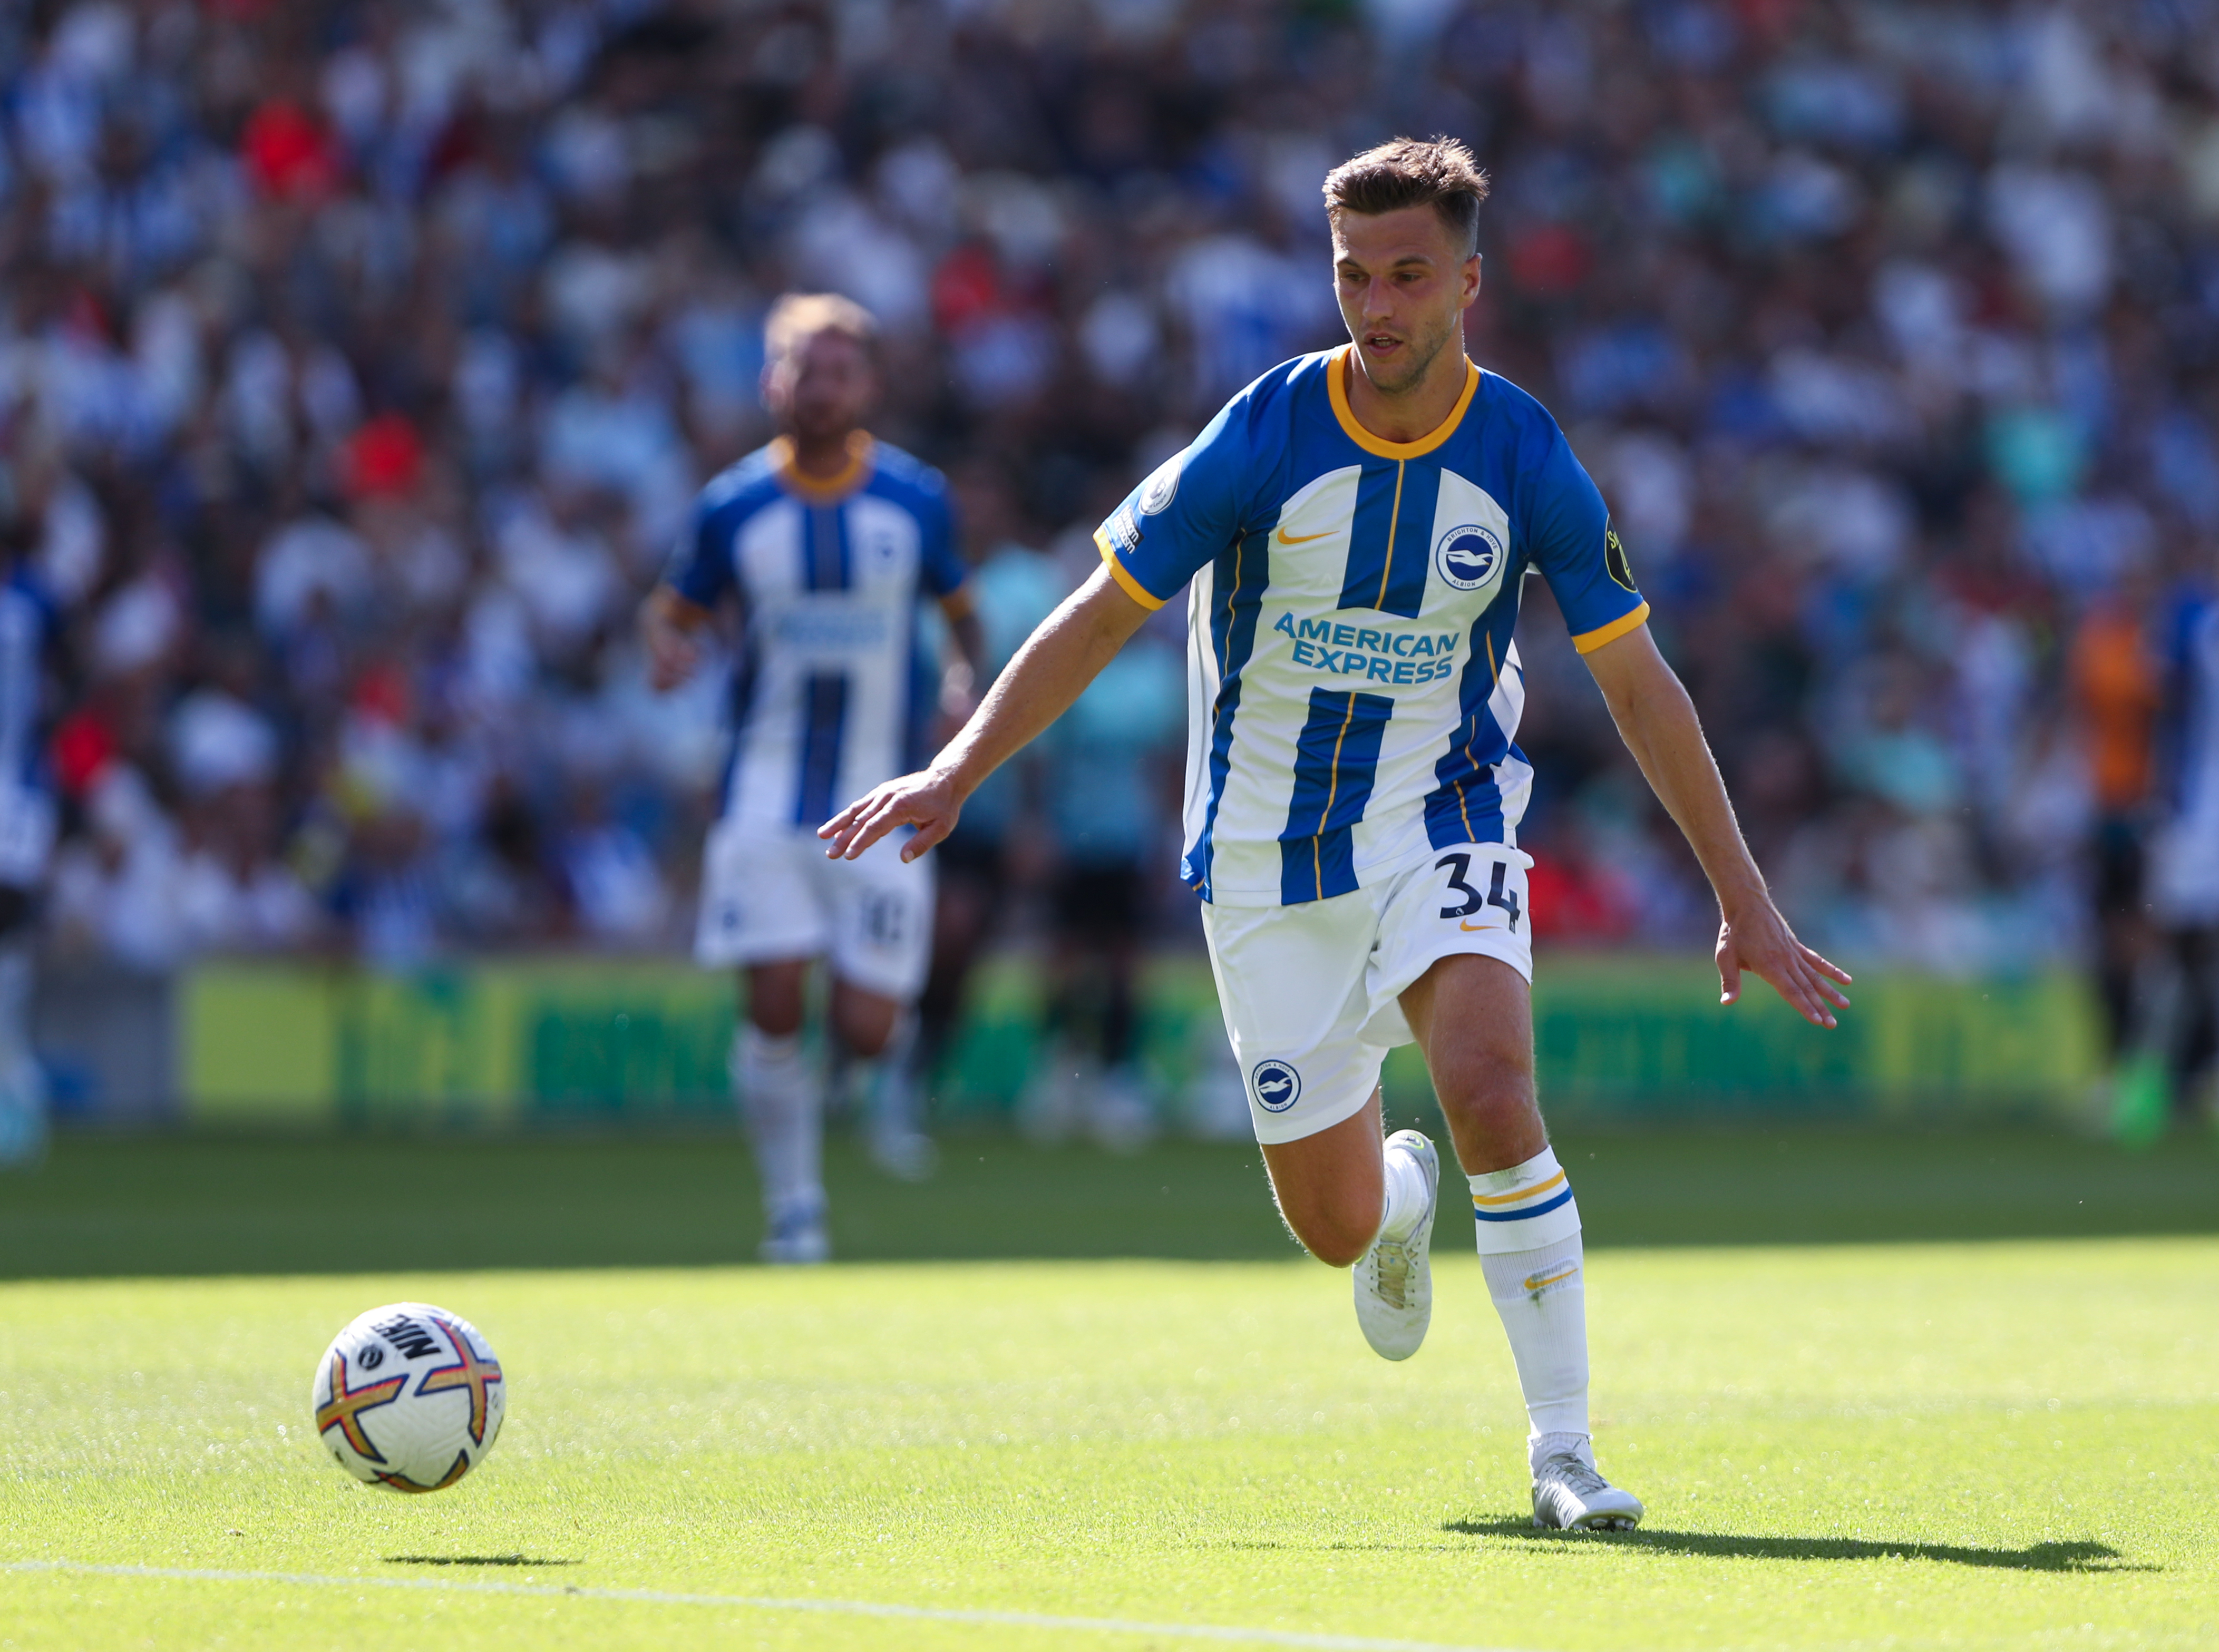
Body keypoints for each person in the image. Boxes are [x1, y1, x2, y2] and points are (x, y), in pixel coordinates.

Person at [821, 139, 1850, 1529]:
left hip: (1444, 811)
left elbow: (1635, 678)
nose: (1377, 303)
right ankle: (1395, 1196)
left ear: (1468, 284)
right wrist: (959, 766)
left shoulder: (1524, 451)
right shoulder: (1263, 430)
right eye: (1353, 274)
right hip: (1263, 859)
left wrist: (1742, 892)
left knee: (1490, 1079)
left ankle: (1564, 1448)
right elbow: (1102, 609)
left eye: (1408, 274)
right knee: (1333, 1227)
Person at [644, 293, 984, 1262]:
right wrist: (667, 651)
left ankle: (854, 1096)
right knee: (774, 1002)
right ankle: (795, 1209)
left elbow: (962, 613)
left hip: (881, 794)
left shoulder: (915, 499)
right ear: (771, 381)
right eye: (803, 368)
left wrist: (965, 683)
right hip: (763, 793)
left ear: (869, 385)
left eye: (839, 370)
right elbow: (671, 613)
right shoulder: (734, 505)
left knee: (870, 1028)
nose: (821, 386)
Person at [0, 514, 58, 1167]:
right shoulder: (29, 607)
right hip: (18, 797)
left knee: (9, 954)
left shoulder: (23, 609)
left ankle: (17, 1099)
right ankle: (19, 1093)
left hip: (13, 799)